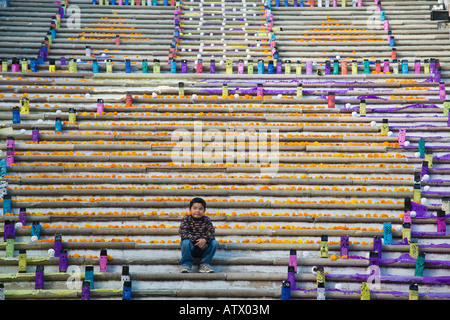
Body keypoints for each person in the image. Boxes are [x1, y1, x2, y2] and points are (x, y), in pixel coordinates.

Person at [178, 197, 218, 273]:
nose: (197, 211)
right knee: (185, 242)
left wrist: (205, 240)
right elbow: (183, 232)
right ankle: (186, 264)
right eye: (195, 208)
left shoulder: (206, 220)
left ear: (204, 211)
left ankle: (204, 263)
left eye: (200, 209)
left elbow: (211, 232)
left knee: (214, 243)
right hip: (191, 247)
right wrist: (198, 241)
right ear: (190, 210)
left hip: (204, 247)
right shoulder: (186, 219)